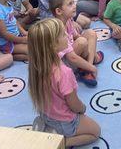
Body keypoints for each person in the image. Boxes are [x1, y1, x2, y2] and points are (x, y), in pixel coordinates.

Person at [28, 18, 101, 147]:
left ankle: (48, 127)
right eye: (63, 34)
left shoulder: (36, 66)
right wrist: (83, 108)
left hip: (46, 114)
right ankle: (60, 141)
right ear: (53, 45)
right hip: (65, 121)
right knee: (95, 131)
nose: (67, 35)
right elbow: (74, 105)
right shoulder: (64, 72)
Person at [50, 0, 104, 87]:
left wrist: (89, 49)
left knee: (90, 33)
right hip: (64, 63)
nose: (75, 5)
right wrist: (92, 65)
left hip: (72, 53)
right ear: (58, 11)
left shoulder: (68, 20)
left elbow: (76, 36)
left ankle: (87, 69)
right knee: (82, 42)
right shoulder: (58, 28)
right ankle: (89, 67)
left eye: (74, 2)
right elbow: (71, 57)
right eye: (70, 4)